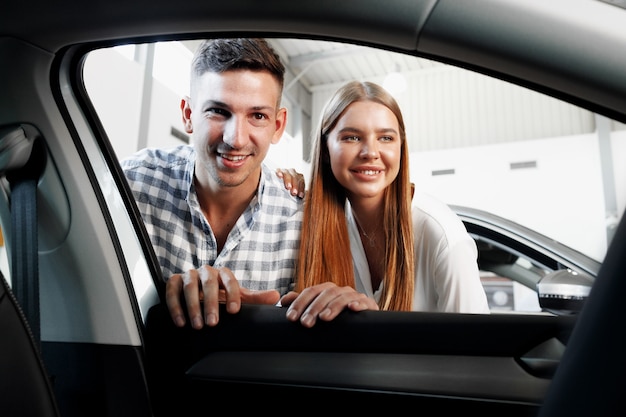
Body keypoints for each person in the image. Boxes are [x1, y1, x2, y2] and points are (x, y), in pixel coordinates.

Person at [122, 38, 376, 329]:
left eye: (257, 116)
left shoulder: (304, 222)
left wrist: (354, 316)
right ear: (188, 114)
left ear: (277, 126)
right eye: (218, 111)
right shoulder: (131, 187)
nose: (236, 139)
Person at [279, 80, 489, 318]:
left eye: (386, 138)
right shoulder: (317, 222)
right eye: (352, 137)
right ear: (326, 150)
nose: (370, 152)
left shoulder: (443, 237)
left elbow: (474, 348)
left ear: (401, 146)